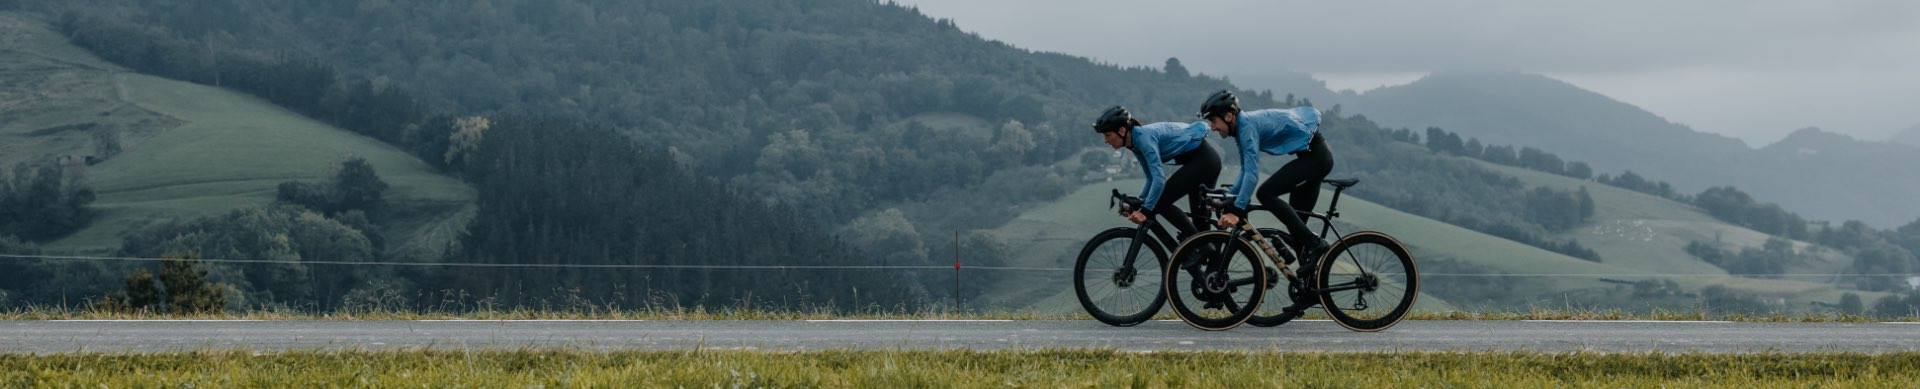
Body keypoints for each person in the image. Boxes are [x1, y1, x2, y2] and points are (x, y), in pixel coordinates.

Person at [1198, 90, 1333, 269]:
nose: (1212, 128)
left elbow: (1252, 174)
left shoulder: (1247, 128)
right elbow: (1246, 169)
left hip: (1316, 159)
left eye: (1213, 121)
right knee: (1299, 232)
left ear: (1229, 116)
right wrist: (1230, 195)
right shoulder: (1242, 128)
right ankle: (1311, 292)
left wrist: (1236, 210)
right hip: (1311, 157)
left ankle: (1316, 244)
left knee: (1266, 193)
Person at [1092, 106, 1220, 238]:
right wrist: (1138, 201)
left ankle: (1196, 243)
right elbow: (1150, 178)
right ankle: (1203, 249)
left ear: (1122, 131)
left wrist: (1145, 210)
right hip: (1201, 162)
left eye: (1107, 135)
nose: (1105, 141)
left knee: (1159, 202)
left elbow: (1159, 179)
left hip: (1205, 161)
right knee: (1201, 228)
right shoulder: (1134, 143)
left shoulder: (1143, 139)